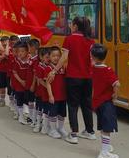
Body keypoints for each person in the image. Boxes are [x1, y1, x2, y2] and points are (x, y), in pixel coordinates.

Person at [50, 16, 95, 144]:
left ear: (75, 26)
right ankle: (90, 131)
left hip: (73, 77)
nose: (70, 26)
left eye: (71, 24)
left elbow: (64, 57)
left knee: (73, 105)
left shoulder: (69, 39)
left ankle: (74, 133)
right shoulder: (91, 41)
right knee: (87, 105)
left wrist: (54, 70)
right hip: (88, 77)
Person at [91, 43, 121, 158]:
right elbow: (117, 84)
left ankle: (106, 147)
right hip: (106, 102)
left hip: (97, 102)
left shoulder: (93, 69)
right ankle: (104, 152)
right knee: (107, 128)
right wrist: (115, 95)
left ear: (93, 57)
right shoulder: (108, 70)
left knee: (103, 126)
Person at [45, 46, 67, 138]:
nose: (56, 58)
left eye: (58, 56)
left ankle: (60, 128)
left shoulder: (62, 67)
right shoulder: (49, 69)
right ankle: (52, 130)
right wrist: (50, 95)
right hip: (54, 96)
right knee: (53, 113)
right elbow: (48, 83)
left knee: (62, 113)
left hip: (63, 95)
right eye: (53, 56)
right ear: (49, 57)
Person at [11, 41, 32, 125]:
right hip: (19, 84)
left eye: (22, 51)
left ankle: (27, 115)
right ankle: (20, 116)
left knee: (26, 100)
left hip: (27, 85)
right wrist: (21, 81)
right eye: (19, 51)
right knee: (19, 99)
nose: (20, 53)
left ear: (27, 52)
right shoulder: (17, 61)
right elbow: (15, 72)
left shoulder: (30, 61)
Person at [33, 47, 50, 133]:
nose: (48, 59)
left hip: (47, 93)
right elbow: (39, 80)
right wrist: (48, 87)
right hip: (40, 92)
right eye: (47, 57)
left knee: (46, 109)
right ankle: (38, 124)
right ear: (41, 57)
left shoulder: (50, 67)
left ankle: (45, 126)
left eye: (49, 57)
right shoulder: (39, 67)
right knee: (39, 108)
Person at [0, 36, 10, 107]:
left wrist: (2, 55)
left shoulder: (10, 48)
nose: (4, 43)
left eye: (6, 41)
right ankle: (2, 101)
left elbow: (6, 54)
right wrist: (2, 54)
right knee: (2, 86)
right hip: (1, 70)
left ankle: (13, 103)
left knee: (10, 87)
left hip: (9, 71)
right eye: (3, 42)